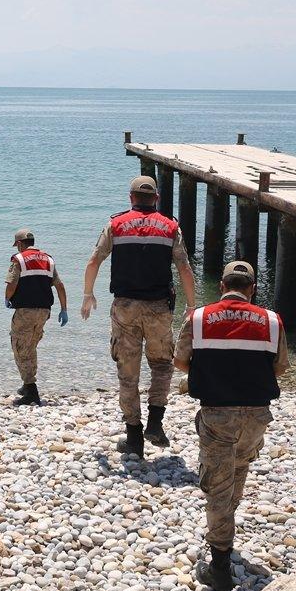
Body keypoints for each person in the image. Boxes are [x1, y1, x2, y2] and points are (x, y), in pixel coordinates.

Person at [174, 260, 288, 591]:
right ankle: (225, 527)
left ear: (222, 286)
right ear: (252, 289)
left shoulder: (198, 319)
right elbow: (279, 368)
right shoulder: (272, 321)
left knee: (217, 487)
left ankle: (221, 566)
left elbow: (180, 360)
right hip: (256, 415)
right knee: (238, 470)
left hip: (218, 414)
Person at [81, 175, 196, 458]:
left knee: (128, 372)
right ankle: (155, 424)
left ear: (131, 198)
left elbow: (94, 259)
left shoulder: (116, 225)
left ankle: (134, 436)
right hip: (159, 308)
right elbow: (184, 268)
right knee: (161, 365)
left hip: (126, 308)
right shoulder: (170, 227)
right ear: (156, 198)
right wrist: (192, 305)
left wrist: (88, 294)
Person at [4, 228, 68, 406]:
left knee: (19, 347)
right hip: (44, 312)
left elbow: (11, 283)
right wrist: (64, 309)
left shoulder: (18, 259)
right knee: (30, 347)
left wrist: (7, 298)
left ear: (19, 244)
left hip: (25, 311)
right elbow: (60, 286)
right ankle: (27, 384)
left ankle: (31, 390)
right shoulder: (48, 259)